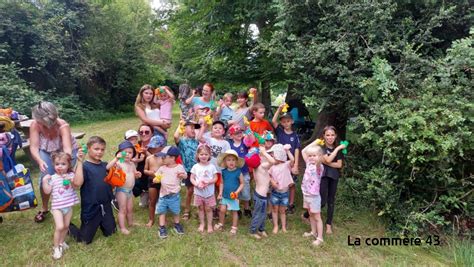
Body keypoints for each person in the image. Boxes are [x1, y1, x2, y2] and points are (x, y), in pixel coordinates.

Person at [29, 101, 78, 223]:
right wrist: (40, 161)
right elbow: (34, 147)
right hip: (46, 151)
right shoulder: (35, 124)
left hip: (65, 151)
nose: (47, 127)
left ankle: (65, 204)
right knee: (45, 178)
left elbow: (67, 148)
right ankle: (45, 208)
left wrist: (66, 163)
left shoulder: (62, 125)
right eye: (43, 124)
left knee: (64, 178)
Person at [69, 136, 116, 244]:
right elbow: (77, 184)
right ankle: (68, 226)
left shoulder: (105, 165)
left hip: (105, 205)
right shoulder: (84, 167)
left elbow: (112, 181)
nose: (100, 152)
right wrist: (79, 162)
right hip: (91, 207)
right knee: (85, 240)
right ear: (88, 149)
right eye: (96, 149)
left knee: (111, 232)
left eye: (102, 149)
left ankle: (103, 223)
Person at [41, 152, 79, 260]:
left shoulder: (71, 175)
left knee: (66, 226)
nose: (60, 166)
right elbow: (47, 191)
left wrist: (71, 180)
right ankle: (56, 247)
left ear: (68, 165)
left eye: (63, 164)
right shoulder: (52, 178)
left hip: (68, 206)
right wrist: (45, 181)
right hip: (57, 207)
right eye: (57, 164)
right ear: (54, 165)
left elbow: (76, 186)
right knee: (60, 227)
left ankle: (62, 243)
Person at [272, 104, 301, 214]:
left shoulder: (295, 135)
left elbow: (297, 149)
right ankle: (279, 202)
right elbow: (274, 121)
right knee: (279, 182)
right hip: (280, 162)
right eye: (283, 122)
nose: (286, 123)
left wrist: (296, 165)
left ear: (292, 121)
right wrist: (279, 109)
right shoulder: (279, 131)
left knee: (291, 184)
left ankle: (291, 204)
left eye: (288, 121)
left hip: (291, 162)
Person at [106, 141, 141, 235]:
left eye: (130, 152)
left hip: (130, 190)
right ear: (120, 153)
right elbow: (108, 167)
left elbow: (135, 174)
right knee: (123, 209)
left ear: (133, 154)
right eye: (125, 152)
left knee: (130, 208)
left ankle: (130, 223)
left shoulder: (132, 164)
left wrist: (137, 174)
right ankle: (122, 227)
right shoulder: (119, 163)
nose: (127, 154)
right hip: (121, 190)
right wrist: (116, 158)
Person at [155, 146, 187, 239]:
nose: (162, 158)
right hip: (163, 195)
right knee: (162, 211)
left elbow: (185, 176)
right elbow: (157, 176)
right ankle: (162, 227)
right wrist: (156, 179)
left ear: (172, 158)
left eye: (164, 157)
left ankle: (177, 224)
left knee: (176, 211)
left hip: (174, 195)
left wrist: (182, 175)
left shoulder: (179, 167)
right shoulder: (162, 168)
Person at [320, 126, 346, 234]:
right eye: (327, 135)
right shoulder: (321, 147)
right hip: (323, 176)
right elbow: (328, 159)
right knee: (322, 200)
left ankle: (328, 224)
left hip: (334, 176)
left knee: (331, 200)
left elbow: (339, 164)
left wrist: (326, 162)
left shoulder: (338, 148)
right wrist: (336, 151)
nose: (330, 137)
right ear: (324, 136)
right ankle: (307, 214)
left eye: (332, 135)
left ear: (335, 136)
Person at [174, 120, 201, 221]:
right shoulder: (182, 141)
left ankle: (199, 209)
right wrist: (180, 125)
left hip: (199, 169)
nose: (194, 130)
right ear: (184, 129)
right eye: (192, 128)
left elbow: (201, 132)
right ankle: (187, 210)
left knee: (199, 190)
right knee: (190, 190)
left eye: (195, 128)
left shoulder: (198, 140)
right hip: (189, 170)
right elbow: (176, 136)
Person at [249, 139, 276, 239]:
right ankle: (252, 231)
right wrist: (264, 152)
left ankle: (261, 229)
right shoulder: (262, 166)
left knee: (263, 214)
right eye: (268, 155)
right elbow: (272, 161)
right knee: (258, 214)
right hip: (260, 195)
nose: (270, 157)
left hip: (262, 195)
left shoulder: (261, 166)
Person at [214, 150, 244, 235]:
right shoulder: (224, 172)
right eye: (229, 160)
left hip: (234, 196)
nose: (231, 162)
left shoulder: (238, 172)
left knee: (234, 211)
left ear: (236, 162)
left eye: (233, 160)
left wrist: (237, 192)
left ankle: (234, 227)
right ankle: (221, 223)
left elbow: (242, 184)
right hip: (224, 195)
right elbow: (222, 183)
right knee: (222, 210)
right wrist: (220, 193)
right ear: (225, 162)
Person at [301, 141, 325, 246]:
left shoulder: (319, 167)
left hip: (314, 196)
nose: (311, 157)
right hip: (306, 194)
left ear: (319, 156)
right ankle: (313, 232)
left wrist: (318, 154)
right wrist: (315, 142)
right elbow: (303, 151)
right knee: (310, 214)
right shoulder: (308, 163)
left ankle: (320, 238)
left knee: (317, 217)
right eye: (309, 156)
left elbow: (319, 159)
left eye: (314, 156)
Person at [267, 144, 295, 234]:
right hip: (275, 192)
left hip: (284, 193)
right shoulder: (272, 167)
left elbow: (292, 160)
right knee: (275, 209)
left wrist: (287, 151)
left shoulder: (286, 165)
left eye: (273, 154)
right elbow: (268, 176)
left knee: (282, 210)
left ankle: (283, 226)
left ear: (279, 155)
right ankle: (275, 226)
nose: (271, 156)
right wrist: (272, 182)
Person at [190, 144, 218, 233]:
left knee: (209, 209)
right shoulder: (195, 166)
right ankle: (202, 224)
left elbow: (215, 178)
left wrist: (209, 181)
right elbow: (192, 178)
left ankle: (209, 225)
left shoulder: (212, 166)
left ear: (209, 155)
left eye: (206, 154)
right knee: (201, 208)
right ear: (198, 155)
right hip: (198, 193)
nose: (204, 156)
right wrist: (196, 184)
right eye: (201, 154)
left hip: (209, 193)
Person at [227, 125, 252, 218]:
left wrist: (249, 133)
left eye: (240, 132)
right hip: (234, 173)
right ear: (231, 135)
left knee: (245, 192)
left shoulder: (244, 142)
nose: (239, 134)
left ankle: (247, 208)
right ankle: (236, 209)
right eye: (236, 133)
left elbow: (251, 141)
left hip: (244, 172)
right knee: (235, 192)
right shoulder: (229, 146)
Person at [143, 135, 167, 227]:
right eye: (151, 147)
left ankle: (164, 218)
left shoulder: (165, 158)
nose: (152, 149)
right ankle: (151, 219)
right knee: (152, 201)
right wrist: (150, 172)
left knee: (163, 200)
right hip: (152, 181)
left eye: (154, 147)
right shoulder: (149, 158)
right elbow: (145, 170)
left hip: (163, 181)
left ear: (162, 147)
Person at [133, 124, 155, 208]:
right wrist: (120, 160)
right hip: (138, 174)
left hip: (151, 175)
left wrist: (146, 152)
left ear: (152, 133)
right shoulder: (135, 144)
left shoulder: (156, 145)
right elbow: (122, 157)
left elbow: (157, 162)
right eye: (141, 132)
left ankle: (152, 193)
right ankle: (143, 192)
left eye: (147, 132)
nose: (144, 134)